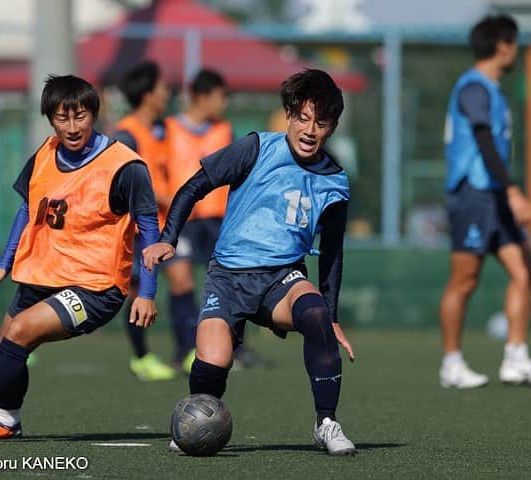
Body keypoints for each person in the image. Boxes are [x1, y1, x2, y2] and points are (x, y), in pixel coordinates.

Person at [0, 74, 160, 440]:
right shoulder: (44, 154)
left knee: (21, 331)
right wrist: (3, 264)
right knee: (4, 347)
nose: (73, 127)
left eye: (81, 116)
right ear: (50, 119)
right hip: (41, 274)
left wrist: (148, 292)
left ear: (95, 113)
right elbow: (28, 210)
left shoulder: (124, 165)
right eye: (63, 118)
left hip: (95, 286)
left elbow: (149, 227)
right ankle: (8, 421)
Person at [144, 69, 357, 455]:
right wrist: (167, 239)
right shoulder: (256, 148)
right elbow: (194, 187)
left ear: (333, 127)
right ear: (289, 116)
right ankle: (194, 423)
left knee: (316, 315)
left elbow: (332, 251)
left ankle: (326, 423)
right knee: (213, 362)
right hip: (228, 278)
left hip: (282, 280)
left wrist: (333, 313)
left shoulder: (335, 180)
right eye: (303, 118)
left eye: (321, 122)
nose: (310, 130)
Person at [440, 14, 531, 388]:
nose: (515, 51)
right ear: (502, 45)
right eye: (514, 43)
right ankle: (451, 363)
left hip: (495, 196)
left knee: (526, 272)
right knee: (464, 281)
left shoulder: (493, 89)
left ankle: (515, 358)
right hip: (473, 195)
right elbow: (484, 142)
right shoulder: (474, 88)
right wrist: (514, 190)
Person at [163, 69, 233, 371]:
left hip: (218, 217)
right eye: (221, 96)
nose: (224, 103)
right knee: (181, 281)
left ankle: (233, 349)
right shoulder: (166, 129)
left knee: (230, 282)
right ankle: (185, 350)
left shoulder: (225, 130)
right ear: (202, 97)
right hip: (182, 218)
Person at [113, 60, 176, 381]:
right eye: (162, 87)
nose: (168, 92)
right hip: (133, 231)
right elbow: (122, 185)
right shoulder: (127, 134)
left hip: (158, 227)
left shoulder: (160, 130)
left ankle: (153, 356)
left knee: (161, 287)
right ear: (147, 93)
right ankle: (142, 357)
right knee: (126, 293)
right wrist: (163, 198)